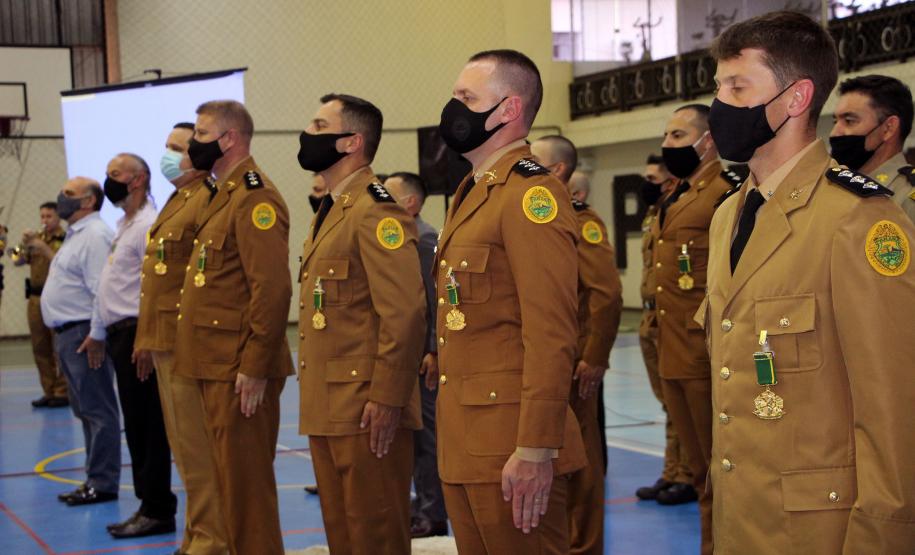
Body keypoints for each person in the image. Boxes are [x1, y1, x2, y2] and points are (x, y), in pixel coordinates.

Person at [705, 11, 915, 553]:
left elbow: (893, 413)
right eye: (718, 87)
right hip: (739, 515)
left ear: (796, 99)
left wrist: (881, 540)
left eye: (737, 86)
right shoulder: (728, 214)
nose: (719, 105)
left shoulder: (858, 220)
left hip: (818, 530)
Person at [434, 49, 587, 554]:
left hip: (512, 445)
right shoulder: (475, 190)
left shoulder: (529, 195)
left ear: (507, 109)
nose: (453, 108)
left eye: (466, 97)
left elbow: (551, 331)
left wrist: (537, 448)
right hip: (468, 440)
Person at [296, 94, 425, 555]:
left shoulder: (375, 209)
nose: (307, 134)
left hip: (367, 407)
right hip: (330, 402)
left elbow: (405, 311)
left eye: (318, 124)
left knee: (375, 535)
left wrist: (389, 397)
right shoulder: (334, 208)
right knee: (343, 536)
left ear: (351, 141)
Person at [173, 100, 293, 555]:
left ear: (228, 139)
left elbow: (272, 290)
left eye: (201, 134)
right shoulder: (221, 194)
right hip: (214, 363)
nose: (192, 144)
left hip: (239, 368)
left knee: (247, 493)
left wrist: (256, 365)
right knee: (226, 487)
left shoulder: (255, 197)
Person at [134, 122, 228, 552]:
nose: (169, 155)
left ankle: (212, 538)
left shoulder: (206, 199)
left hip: (187, 342)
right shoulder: (177, 200)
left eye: (178, 147)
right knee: (184, 451)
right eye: (167, 146)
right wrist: (145, 338)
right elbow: (156, 280)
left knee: (199, 450)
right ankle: (196, 532)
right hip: (164, 342)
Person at [531, 135, 622, 555]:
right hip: (544, 358)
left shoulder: (580, 218)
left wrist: (594, 356)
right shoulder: (536, 215)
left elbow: (604, 293)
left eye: (533, 161)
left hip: (576, 361)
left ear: (558, 171)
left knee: (581, 463)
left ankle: (585, 546)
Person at [654, 102, 737, 554]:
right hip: (672, 350)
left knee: (717, 469)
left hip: (703, 353)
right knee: (697, 467)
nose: (668, 145)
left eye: (678, 137)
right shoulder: (677, 193)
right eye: (667, 137)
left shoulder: (724, 192)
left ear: (709, 142)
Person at [89, 153, 177, 538]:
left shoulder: (147, 225)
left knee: (149, 426)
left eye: (115, 174)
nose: (109, 181)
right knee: (137, 427)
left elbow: (154, 289)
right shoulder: (124, 223)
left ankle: (158, 508)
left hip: (139, 335)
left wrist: (147, 337)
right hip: (121, 334)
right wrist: (99, 331)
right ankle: (148, 505)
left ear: (139, 179)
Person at [41, 177, 121, 506]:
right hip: (68, 334)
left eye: (70, 194)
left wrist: (96, 335)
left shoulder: (95, 236)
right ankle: (94, 478)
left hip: (84, 333)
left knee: (98, 409)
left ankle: (102, 483)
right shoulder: (77, 235)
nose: (62, 197)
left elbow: (100, 289)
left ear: (88, 201)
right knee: (86, 409)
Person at [384, 171, 450, 539]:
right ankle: (422, 504)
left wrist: (433, 349)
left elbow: (433, 301)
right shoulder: (403, 238)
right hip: (407, 356)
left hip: (424, 357)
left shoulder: (425, 240)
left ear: (411, 202)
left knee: (427, 439)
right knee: (413, 437)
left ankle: (433, 513)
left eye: (389, 195)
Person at [634, 155, 694, 503]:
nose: (647, 183)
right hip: (650, 319)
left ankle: (685, 474)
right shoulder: (654, 215)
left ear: (670, 182)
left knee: (679, 404)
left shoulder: (680, 214)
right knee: (667, 404)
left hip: (672, 320)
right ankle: (671, 470)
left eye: (652, 178)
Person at [830, 74, 915, 221]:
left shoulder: (907, 196)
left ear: (888, 128)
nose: (835, 133)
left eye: (849, 121)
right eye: (835, 122)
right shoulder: (834, 185)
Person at [14, 202, 69, 408]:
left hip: (57, 297)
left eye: (49, 216)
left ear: (58, 218)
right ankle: (48, 390)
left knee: (59, 346)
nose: (44, 221)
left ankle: (63, 391)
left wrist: (43, 247)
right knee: (40, 347)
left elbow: (63, 264)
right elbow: (16, 261)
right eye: (42, 216)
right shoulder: (37, 240)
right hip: (36, 298)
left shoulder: (64, 239)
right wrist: (22, 245)